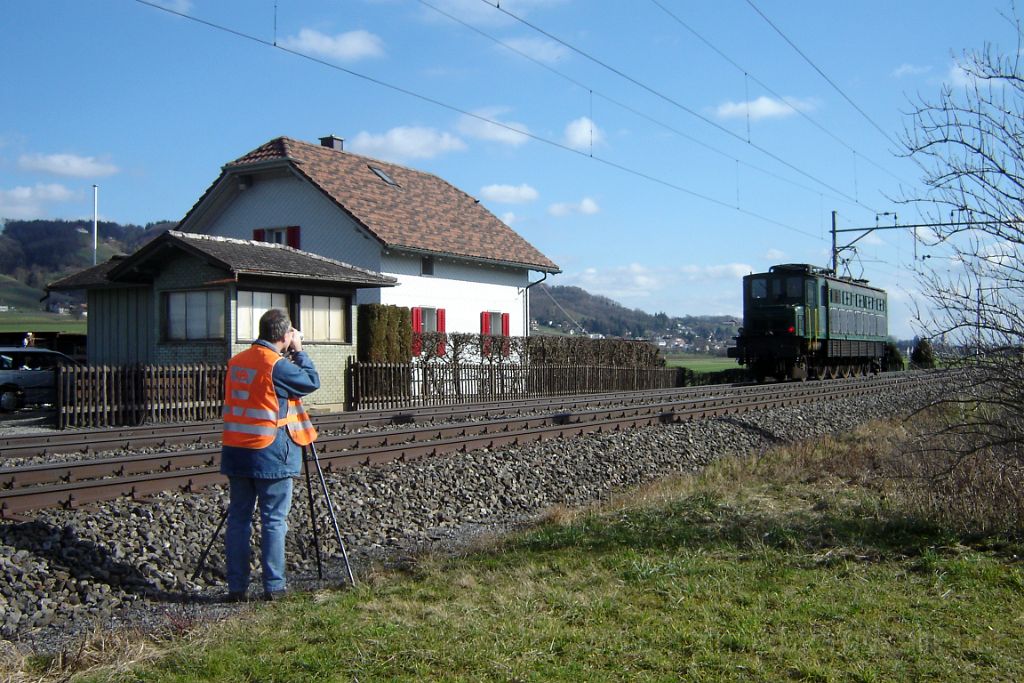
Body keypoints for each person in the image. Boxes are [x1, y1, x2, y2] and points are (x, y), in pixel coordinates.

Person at [220, 308, 320, 602]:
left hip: (236, 450)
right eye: (291, 334)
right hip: (269, 452)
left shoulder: (237, 361)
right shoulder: (276, 365)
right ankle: (274, 586)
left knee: (238, 520)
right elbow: (310, 381)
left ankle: (236, 587)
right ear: (285, 335)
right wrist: (299, 350)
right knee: (274, 520)